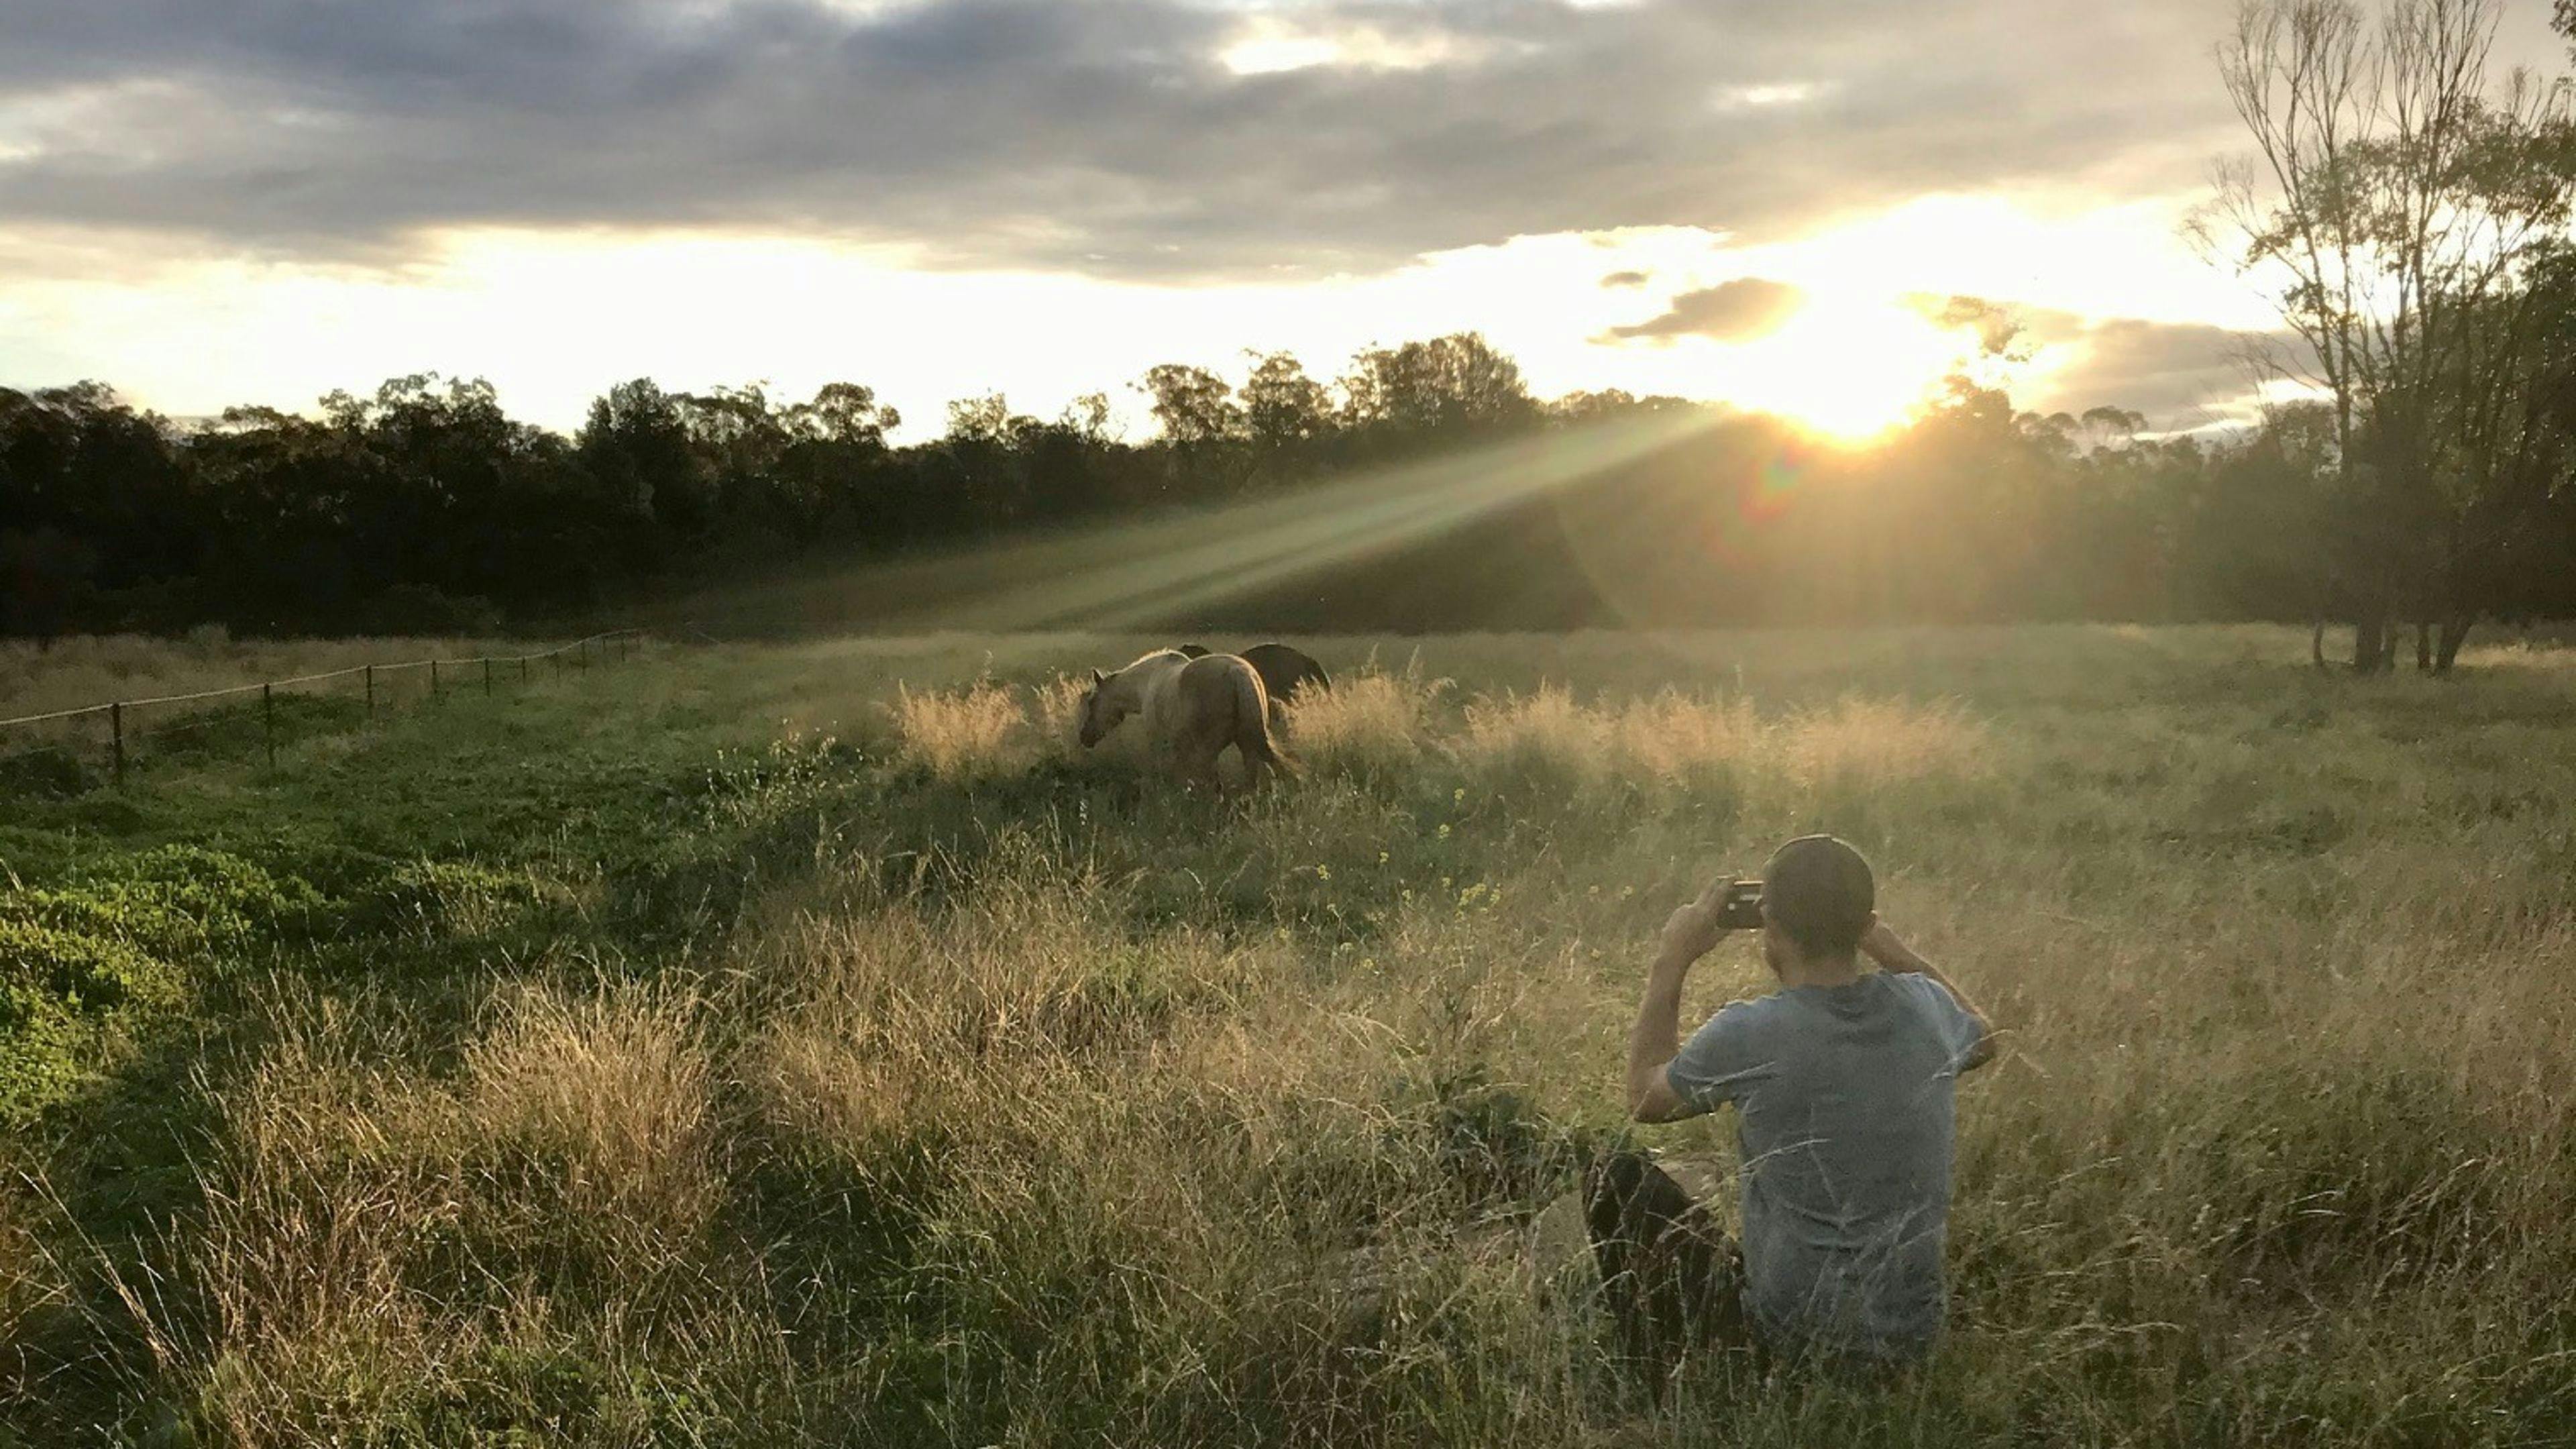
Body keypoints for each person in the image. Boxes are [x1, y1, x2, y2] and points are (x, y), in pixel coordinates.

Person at [1591, 834, 1996, 1382]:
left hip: (1796, 1341)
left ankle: (1664, 1378)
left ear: (1769, 924)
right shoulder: (1926, 1009)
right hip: (1911, 1339)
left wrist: (1672, 959)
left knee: (1613, 1177)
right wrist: (1890, 948)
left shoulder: (1754, 1032)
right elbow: (1985, 1039)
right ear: (1865, 924)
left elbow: (1644, 1097)